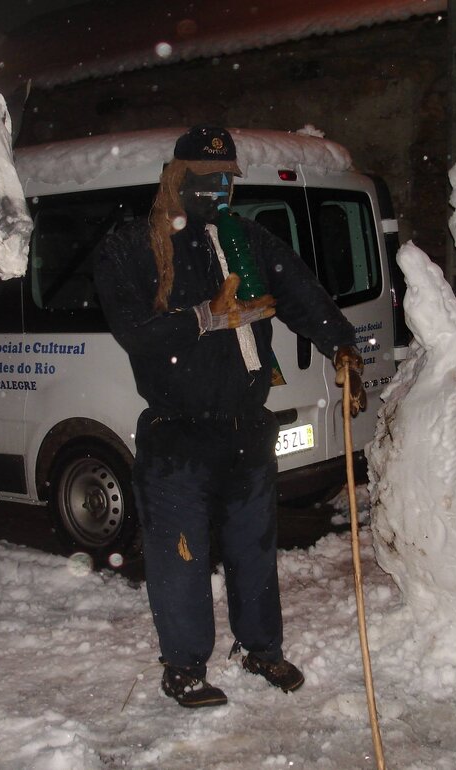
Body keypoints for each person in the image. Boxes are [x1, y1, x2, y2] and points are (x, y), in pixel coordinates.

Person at [94, 125, 366, 708]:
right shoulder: (134, 246)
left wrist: (340, 344)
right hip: (178, 432)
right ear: (177, 178)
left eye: (228, 179)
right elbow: (133, 332)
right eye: (207, 179)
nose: (220, 190)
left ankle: (259, 649)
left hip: (246, 425)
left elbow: (300, 292)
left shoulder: (245, 239)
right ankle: (185, 667)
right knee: (181, 558)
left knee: (253, 549)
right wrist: (202, 318)